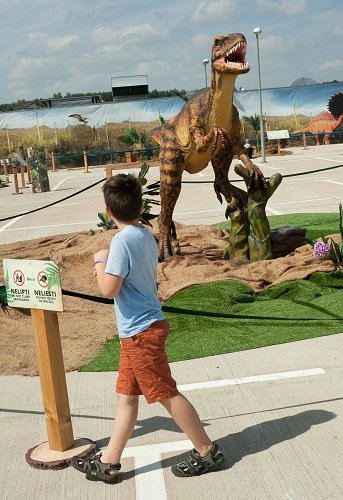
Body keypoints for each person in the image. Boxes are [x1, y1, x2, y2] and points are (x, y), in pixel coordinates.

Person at [71, 173, 225, 483]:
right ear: (141, 206)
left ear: (108, 210)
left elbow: (109, 289)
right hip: (138, 331)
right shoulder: (143, 234)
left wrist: (100, 262)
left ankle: (207, 450)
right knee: (126, 396)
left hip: (141, 333)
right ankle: (110, 461)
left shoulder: (121, 241)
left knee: (165, 393)